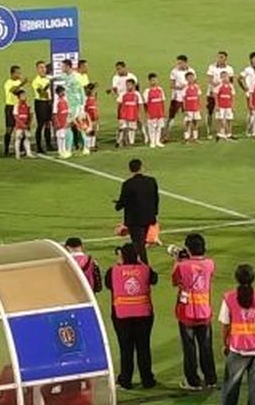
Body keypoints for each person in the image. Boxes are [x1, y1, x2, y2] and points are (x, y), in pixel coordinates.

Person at [219, 263, 255, 405]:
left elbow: (225, 324)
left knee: (231, 386)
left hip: (237, 349)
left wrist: (225, 343)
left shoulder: (229, 297)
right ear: (253, 278)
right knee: (254, 389)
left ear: (236, 278)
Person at [106, 242, 158, 390]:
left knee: (126, 348)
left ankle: (125, 380)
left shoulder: (113, 271)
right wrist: (140, 263)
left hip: (122, 315)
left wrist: (121, 266)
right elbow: (154, 279)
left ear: (121, 256)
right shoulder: (145, 270)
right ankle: (147, 379)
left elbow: (108, 285)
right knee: (143, 347)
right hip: (143, 314)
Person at [171, 233, 217, 391]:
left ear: (188, 248)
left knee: (189, 348)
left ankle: (193, 381)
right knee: (206, 347)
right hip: (204, 312)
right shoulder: (210, 264)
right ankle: (211, 379)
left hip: (187, 313)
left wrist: (177, 261)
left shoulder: (182, 266)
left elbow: (175, 281)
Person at [115, 159, 160, 264]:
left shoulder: (128, 184)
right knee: (141, 243)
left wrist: (117, 205)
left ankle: (144, 268)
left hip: (135, 220)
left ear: (130, 169)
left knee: (138, 244)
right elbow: (156, 198)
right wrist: (155, 214)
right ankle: (143, 266)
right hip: (149, 217)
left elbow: (123, 201)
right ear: (141, 167)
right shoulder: (151, 181)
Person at [2, 65, 26, 157]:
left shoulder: (18, 81)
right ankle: (6, 149)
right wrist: (22, 84)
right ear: (12, 73)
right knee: (9, 129)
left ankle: (21, 149)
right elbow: (14, 91)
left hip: (18, 107)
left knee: (21, 128)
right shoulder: (8, 82)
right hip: (10, 107)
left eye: (20, 72)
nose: (19, 74)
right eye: (17, 73)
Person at [32, 60, 54, 153]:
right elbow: (42, 94)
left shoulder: (48, 78)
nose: (43, 69)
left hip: (49, 102)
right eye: (41, 67)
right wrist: (48, 85)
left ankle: (48, 145)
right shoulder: (36, 81)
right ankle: (39, 146)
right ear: (37, 69)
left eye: (44, 67)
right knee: (41, 124)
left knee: (48, 123)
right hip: (40, 103)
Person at [117, 78, 143, 147]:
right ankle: (119, 141)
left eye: (129, 85)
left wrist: (138, 114)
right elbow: (119, 104)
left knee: (132, 129)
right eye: (127, 85)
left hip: (133, 115)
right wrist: (119, 114)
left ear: (134, 85)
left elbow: (139, 104)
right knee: (122, 128)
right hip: (124, 115)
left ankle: (131, 142)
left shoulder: (137, 94)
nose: (128, 86)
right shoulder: (123, 94)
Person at [143, 74, 167, 148]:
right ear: (149, 81)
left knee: (159, 127)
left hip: (159, 112)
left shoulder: (160, 90)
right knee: (152, 128)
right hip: (152, 112)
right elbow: (145, 103)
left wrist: (163, 112)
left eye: (156, 80)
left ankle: (157, 141)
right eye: (153, 80)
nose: (155, 82)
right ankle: (152, 142)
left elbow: (162, 101)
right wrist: (147, 112)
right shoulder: (147, 91)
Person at [13, 89, 34, 158]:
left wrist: (29, 123)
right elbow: (16, 117)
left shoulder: (28, 105)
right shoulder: (16, 105)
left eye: (25, 95)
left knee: (27, 138)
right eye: (22, 95)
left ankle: (28, 152)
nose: (24, 97)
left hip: (26, 124)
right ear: (18, 97)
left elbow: (30, 114)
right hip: (19, 125)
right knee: (18, 138)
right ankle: (17, 154)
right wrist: (22, 125)